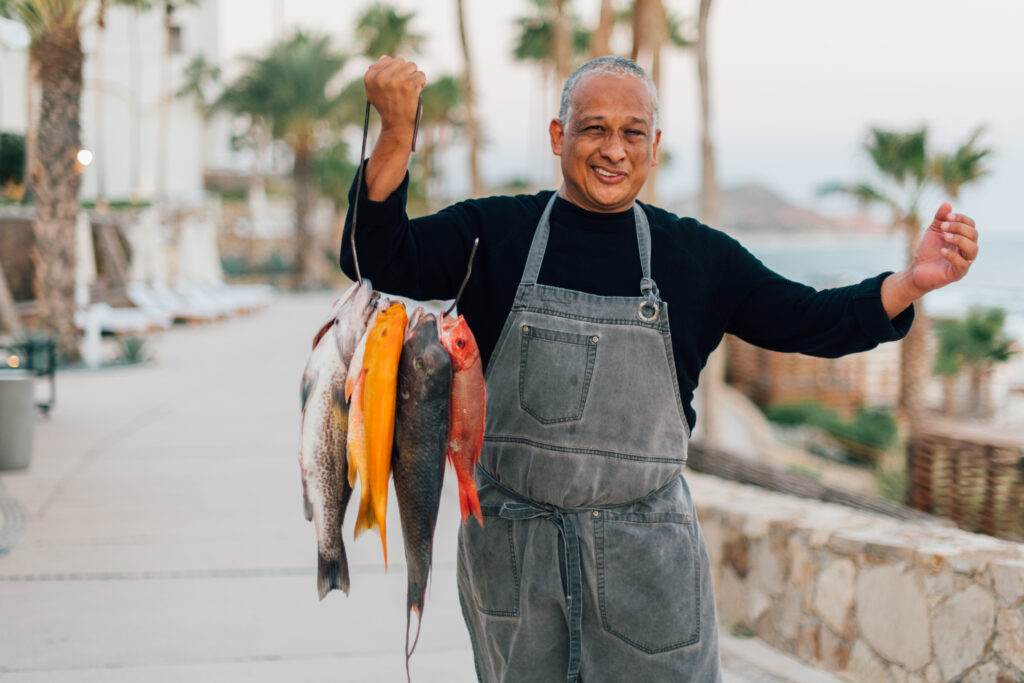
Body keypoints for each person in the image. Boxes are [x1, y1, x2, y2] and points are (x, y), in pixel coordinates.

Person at [341, 55, 978, 683]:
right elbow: (376, 256)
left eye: (632, 132)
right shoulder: (494, 232)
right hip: (515, 559)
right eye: (593, 128)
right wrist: (397, 134)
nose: (613, 149)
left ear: (655, 145)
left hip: (648, 565)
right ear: (559, 136)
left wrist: (912, 282)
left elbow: (809, 318)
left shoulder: (696, 256)